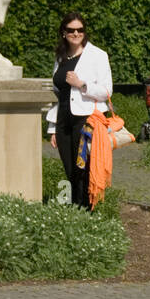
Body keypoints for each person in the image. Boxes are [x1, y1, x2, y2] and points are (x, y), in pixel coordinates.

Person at [45, 12, 113, 210]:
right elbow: (58, 94)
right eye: (71, 30)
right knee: (69, 167)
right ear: (63, 33)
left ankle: (87, 210)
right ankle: (75, 209)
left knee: (83, 166)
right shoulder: (61, 57)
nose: (76, 33)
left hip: (86, 120)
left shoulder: (97, 56)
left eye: (80, 30)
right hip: (64, 120)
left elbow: (107, 91)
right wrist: (52, 127)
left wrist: (81, 84)